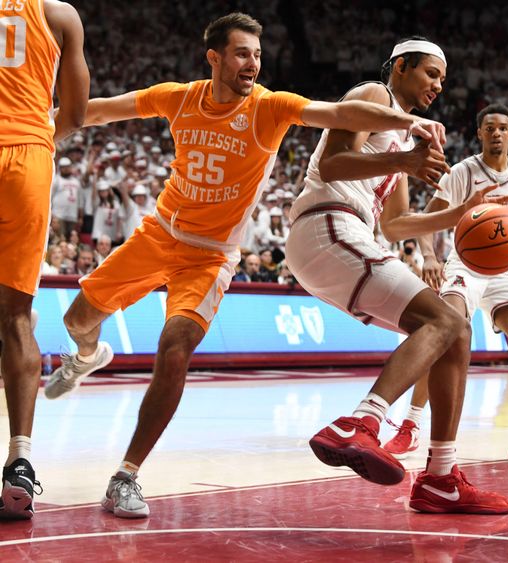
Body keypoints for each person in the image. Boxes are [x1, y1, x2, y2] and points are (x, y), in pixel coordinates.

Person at [43, 14, 450, 519]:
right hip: (159, 234)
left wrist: (408, 123)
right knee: (76, 319)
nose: (252, 64)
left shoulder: (270, 107)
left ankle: (125, 475)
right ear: (214, 58)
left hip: (212, 256)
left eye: (257, 55)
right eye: (241, 54)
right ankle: (85, 355)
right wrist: (48, 126)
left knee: (175, 349)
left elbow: (338, 114)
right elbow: (103, 111)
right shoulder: (180, 96)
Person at [288, 39, 508, 514]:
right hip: (326, 223)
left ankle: (441, 478)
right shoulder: (372, 95)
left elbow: (395, 225)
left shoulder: (407, 141)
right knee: (447, 320)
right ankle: (361, 423)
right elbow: (330, 164)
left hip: (348, 237)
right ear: (401, 67)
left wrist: (459, 214)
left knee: (454, 329)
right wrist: (401, 160)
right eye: (430, 74)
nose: (437, 86)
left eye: (443, 81)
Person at [382, 104, 508, 466]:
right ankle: (410, 426)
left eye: (502, 127)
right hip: (463, 266)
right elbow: (428, 216)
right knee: (445, 339)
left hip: (502, 271)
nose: (495, 133)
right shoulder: (464, 172)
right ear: (480, 134)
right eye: (488, 127)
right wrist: (428, 256)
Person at [0, 0, 89, 519]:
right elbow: (75, 114)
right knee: (15, 319)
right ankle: (20, 461)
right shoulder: (58, 14)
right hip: (28, 158)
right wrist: (34, 139)